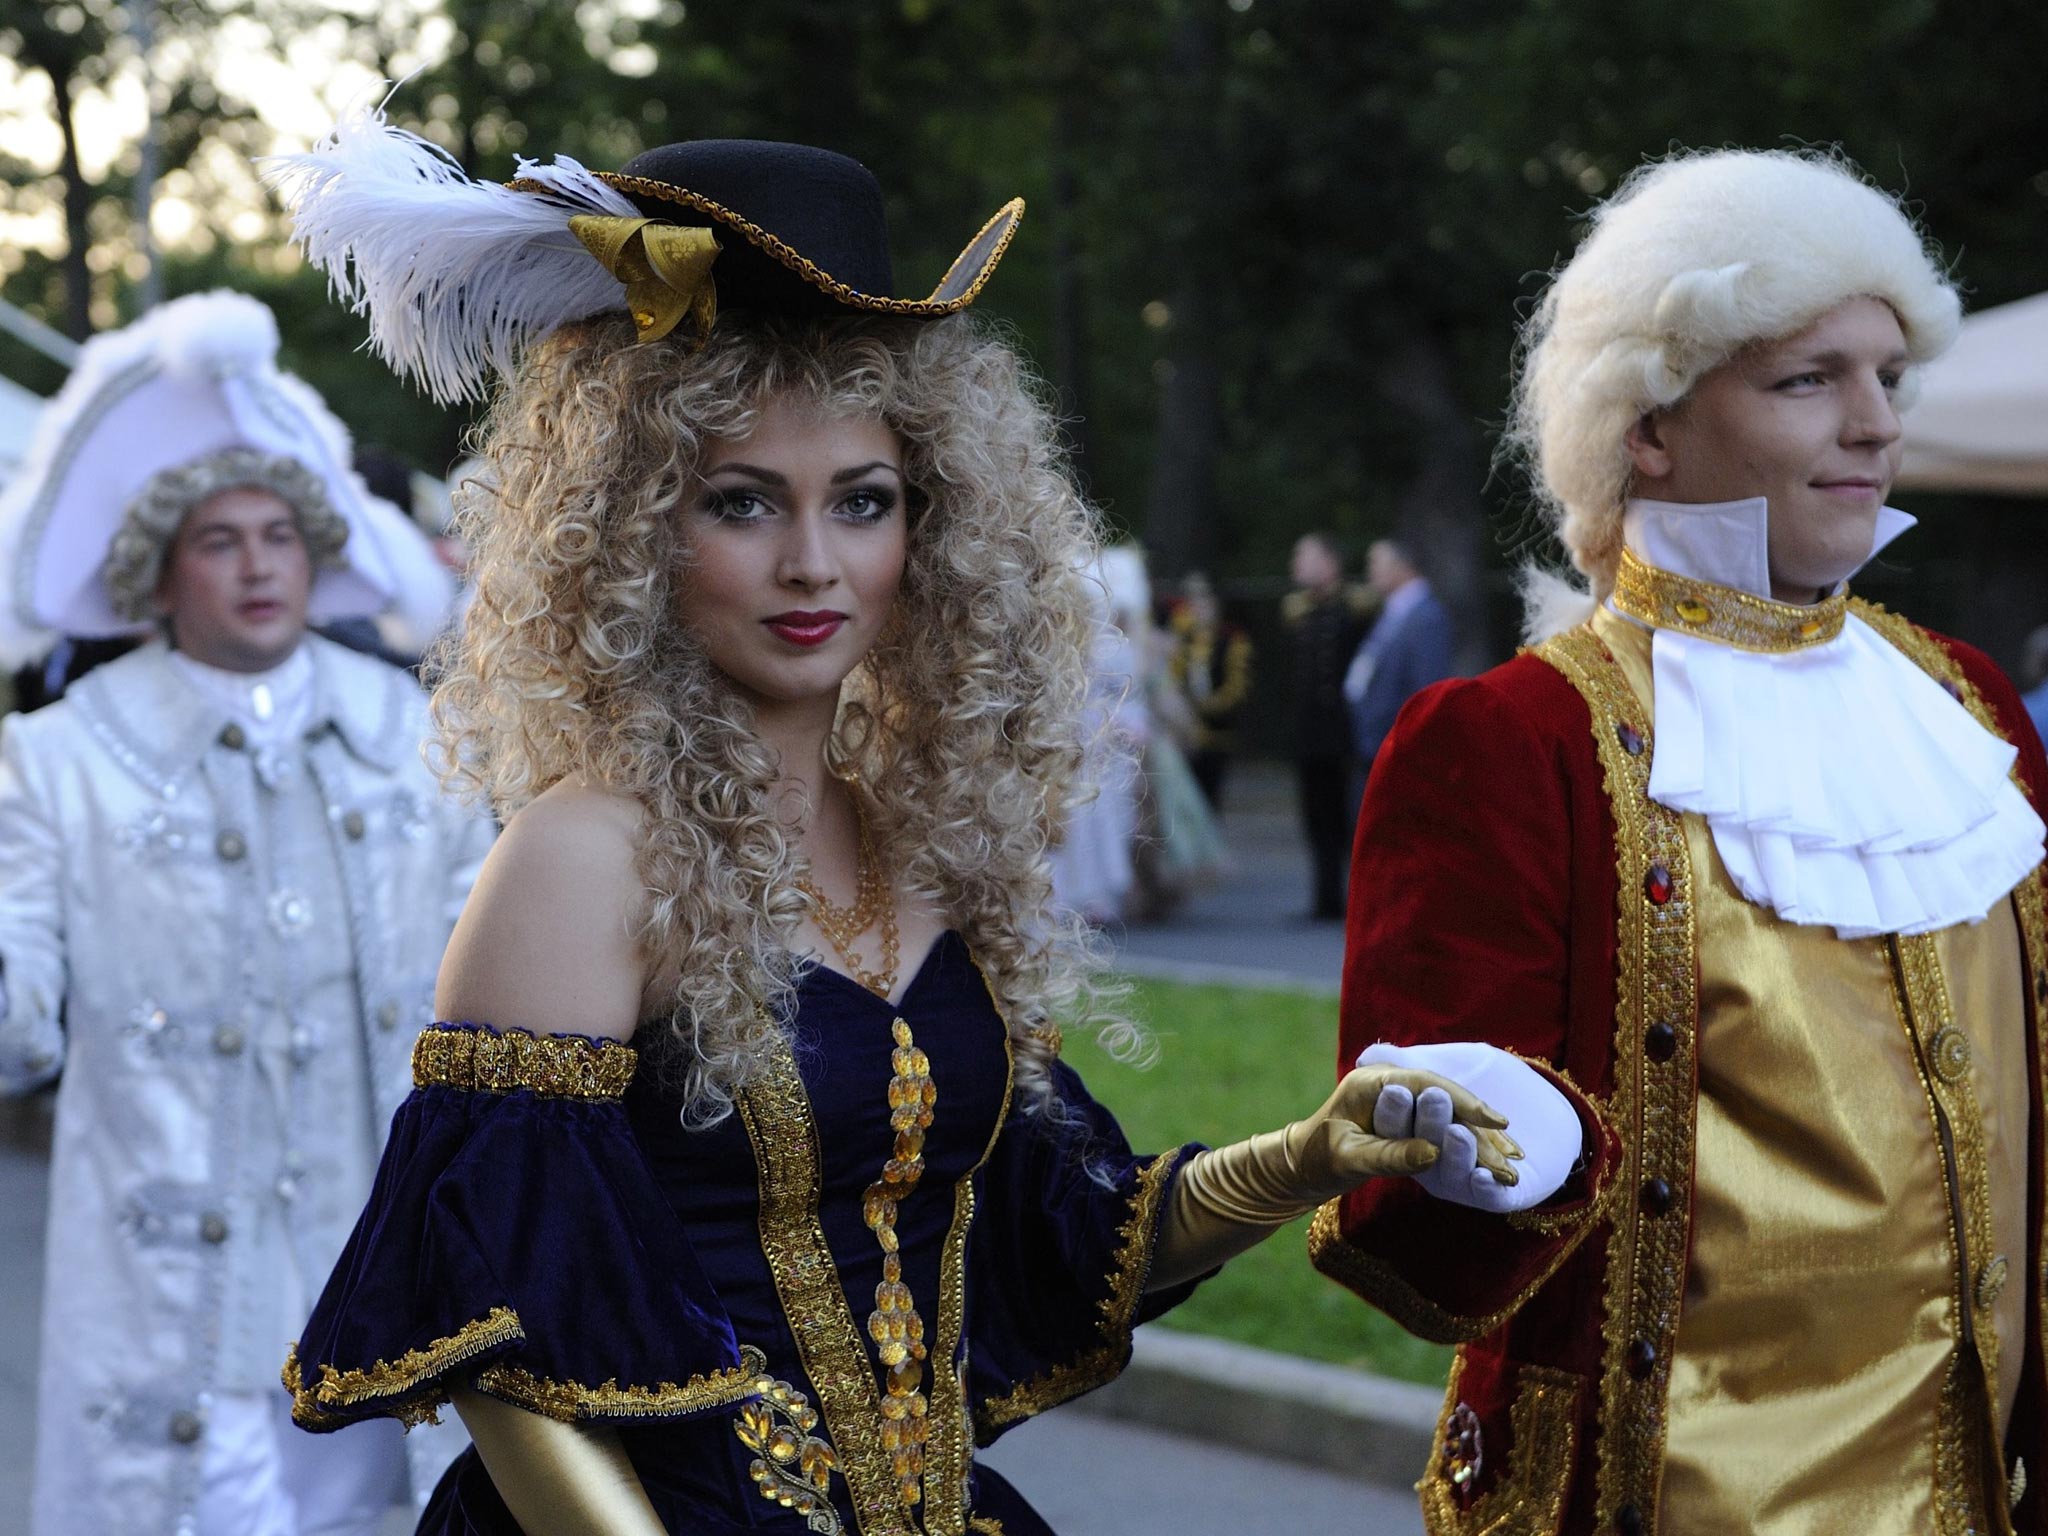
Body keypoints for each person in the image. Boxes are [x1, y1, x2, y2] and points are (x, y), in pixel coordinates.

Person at [266, 107, 1540, 1535]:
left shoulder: (919, 842)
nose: (813, 563)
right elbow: (507, 1362)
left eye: (861, 502)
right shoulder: (582, 858)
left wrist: (1313, 1151)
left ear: (927, 527)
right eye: (744, 503)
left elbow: (1072, 1231)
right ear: (629, 532)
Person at [1309, 148, 2048, 1534]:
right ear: (1648, 426)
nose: (1877, 422)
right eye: (1807, 380)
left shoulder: (1964, 702)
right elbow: (1416, 1243)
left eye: (1890, 377)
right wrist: (1478, 1145)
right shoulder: (1513, 742)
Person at [0, 290, 496, 1536]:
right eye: (220, 540)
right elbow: (20, 1028)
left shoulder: (415, 737)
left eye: (279, 532)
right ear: (157, 572)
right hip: (178, 1320)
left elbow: (493, 1002)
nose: (260, 563)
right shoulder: (56, 760)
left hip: (390, 1295)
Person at [1282, 532, 1370, 919]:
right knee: (1315, 819)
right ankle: (1325, 900)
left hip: (1342, 733)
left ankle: (1354, 900)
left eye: (1305, 557)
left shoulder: (1356, 609)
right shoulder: (1300, 611)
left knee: (1345, 820)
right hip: (1310, 733)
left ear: (1330, 563)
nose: (1297, 565)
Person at [1342, 537, 1454, 782]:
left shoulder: (1425, 617)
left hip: (1398, 749)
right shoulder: (1395, 611)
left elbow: (1427, 688)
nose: (1370, 570)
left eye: (1376, 562)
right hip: (1375, 745)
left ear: (1402, 566)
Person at [1164, 571, 1253, 809]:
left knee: (1210, 794)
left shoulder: (1232, 639)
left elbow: (1236, 686)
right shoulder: (1184, 640)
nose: (1199, 609)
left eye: (1204, 602)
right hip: (1187, 733)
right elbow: (1173, 678)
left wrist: (1207, 707)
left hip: (1217, 733)